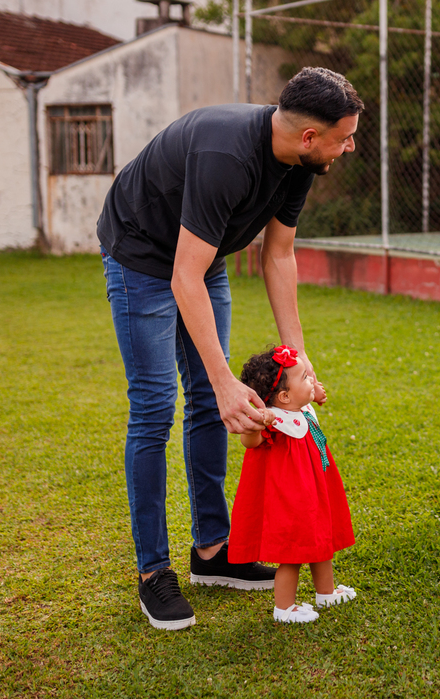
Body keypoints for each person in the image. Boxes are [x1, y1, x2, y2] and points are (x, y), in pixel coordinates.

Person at [97, 67, 363, 631]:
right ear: (311, 137)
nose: (351, 145)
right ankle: (153, 574)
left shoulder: (298, 162)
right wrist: (223, 380)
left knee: (205, 404)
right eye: (344, 136)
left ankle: (214, 552)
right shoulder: (228, 156)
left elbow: (279, 254)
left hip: (202, 257)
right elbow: (180, 279)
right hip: (140, 254)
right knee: (153, 407)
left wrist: (297, 355)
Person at [232, 345, 356, 624]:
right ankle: (284, 608)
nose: (311, 379)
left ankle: (326, 592)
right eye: (304, 377)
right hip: (292, 498)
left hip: (315, 488)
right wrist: (258, 424)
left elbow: (311, 400)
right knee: (293, 552)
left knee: (320, 540)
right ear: (284, 396)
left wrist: (316, 394)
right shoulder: (275, 421)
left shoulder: (299, 408)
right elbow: (249, 443)